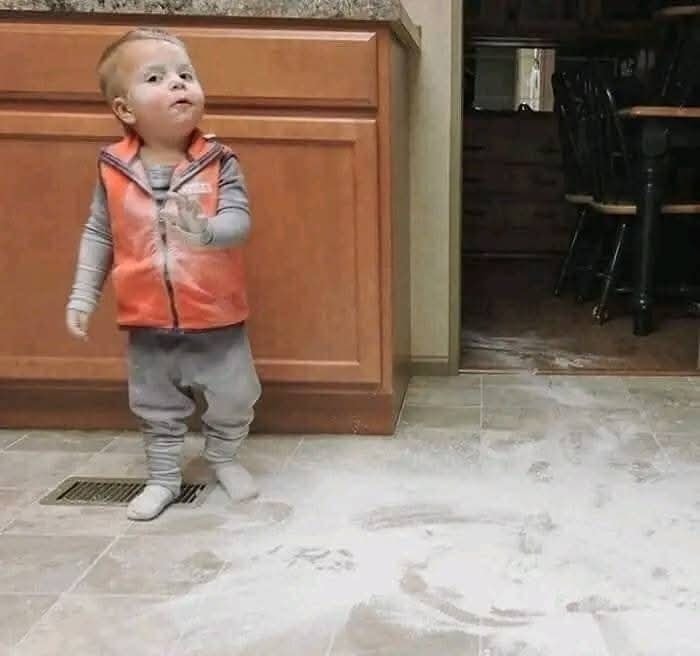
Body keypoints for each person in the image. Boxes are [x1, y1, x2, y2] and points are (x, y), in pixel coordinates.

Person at [66, 27, 261, 521]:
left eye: (185, 75)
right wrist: (82, 296)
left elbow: (239, 221)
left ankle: (223, 456)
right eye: (156, 78)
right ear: (125, 109)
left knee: (236, 397)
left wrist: (206, 232)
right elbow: (99, 233)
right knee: (155, 407)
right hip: (147, 320)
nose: (178, 83)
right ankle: (163, 478)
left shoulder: (219, 161)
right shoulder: (112, 167)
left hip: (217, 318)